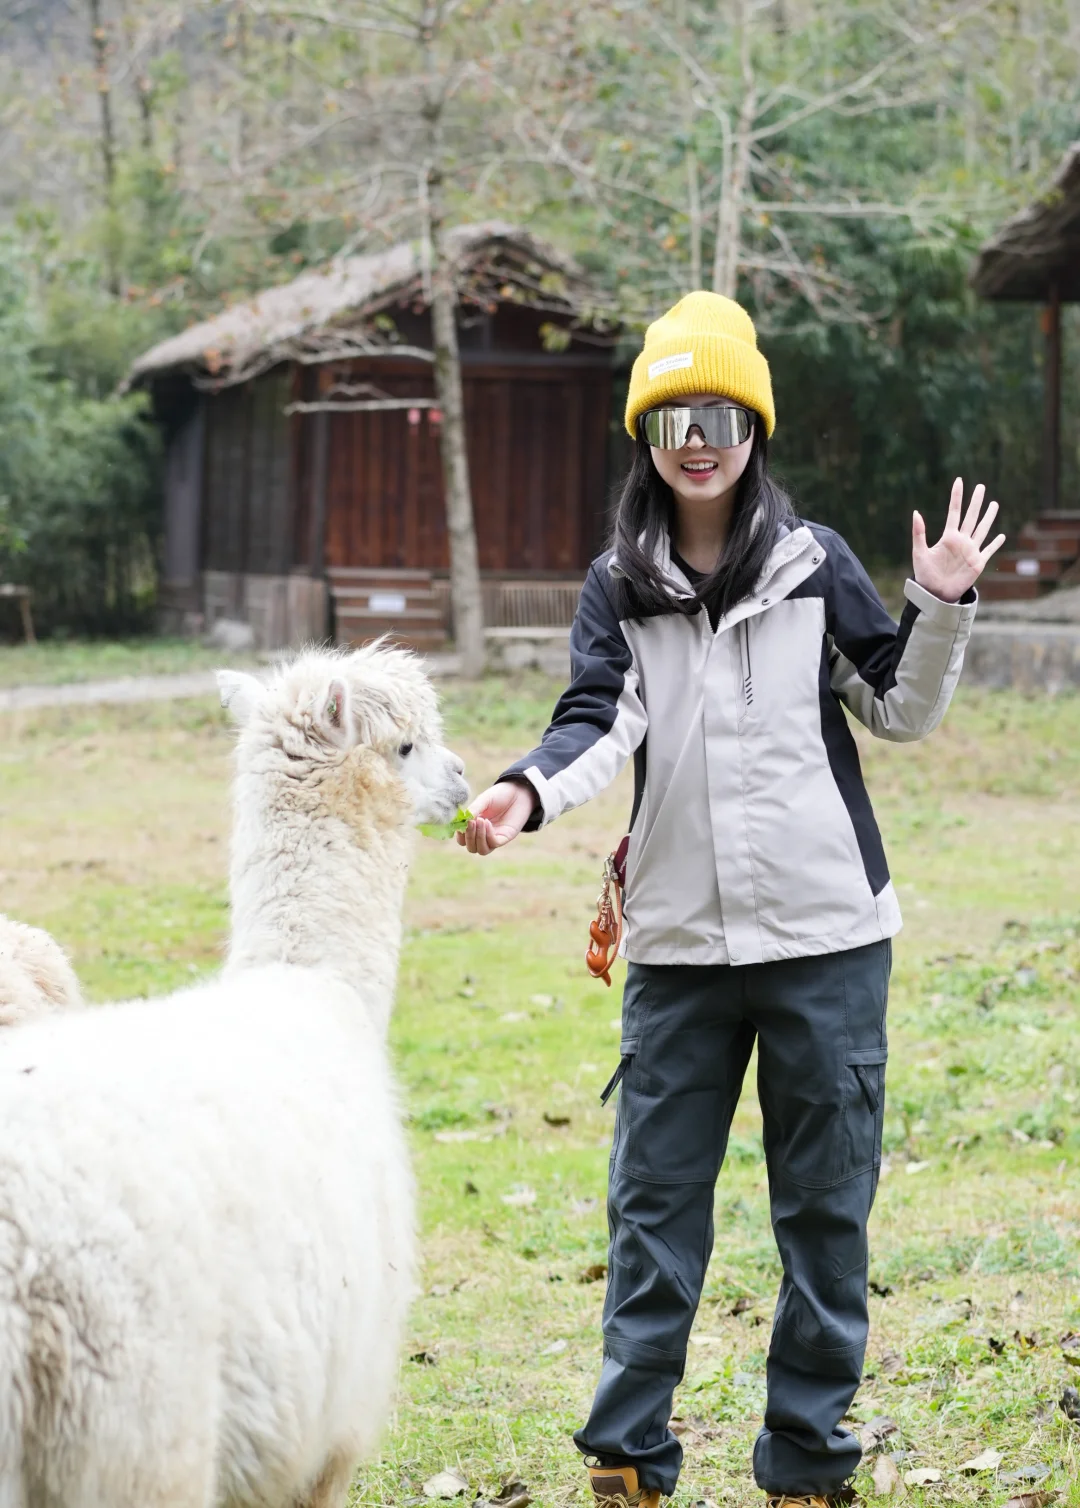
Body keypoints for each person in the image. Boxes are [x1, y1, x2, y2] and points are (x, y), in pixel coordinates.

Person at [456, 291, 1004, 1508]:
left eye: (719, 411)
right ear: (644, 434)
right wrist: (522, 795)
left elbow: (899, 708)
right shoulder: (619, 584)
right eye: (669, 415)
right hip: (678, 947)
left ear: (753, 425)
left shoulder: (819, 569)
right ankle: (627, 1457)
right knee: (653, 1205)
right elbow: (599, 721)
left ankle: (807, 1465)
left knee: (824, 1213)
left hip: (828, 939)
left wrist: (941, 603)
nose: (695, 437)